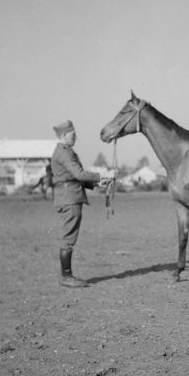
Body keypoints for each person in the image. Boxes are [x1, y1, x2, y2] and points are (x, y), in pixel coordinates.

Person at [51, 119, 115, 288]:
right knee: (69, 237)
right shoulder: (64, 153)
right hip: (69, 198)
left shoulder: (65, 151)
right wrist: (101, 176)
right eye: (73, 134)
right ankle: (66, 277)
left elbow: (73, 177)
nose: (76, 137)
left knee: (69, 236)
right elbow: (78, 174)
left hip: (69, 196)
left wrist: (95, 184)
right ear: (64, 135)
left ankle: (66, 275)